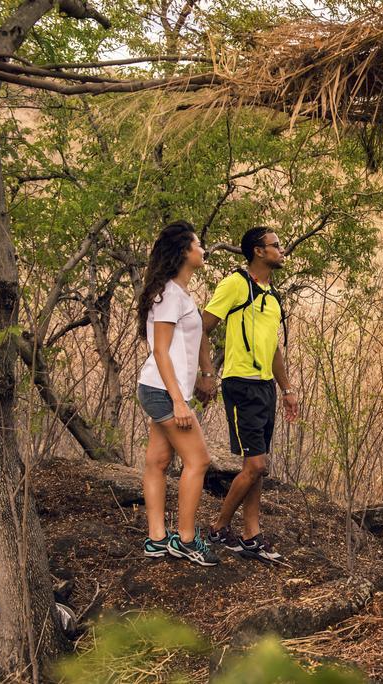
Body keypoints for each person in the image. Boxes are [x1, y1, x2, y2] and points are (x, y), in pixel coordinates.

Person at [203, 226, 298, 563]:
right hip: (239, 384)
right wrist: (206, 375)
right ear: (258, 251)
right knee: (255, 463)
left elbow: (273, 350)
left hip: (265, 388)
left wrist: (286, 389)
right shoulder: (235, 284)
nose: (281, 250)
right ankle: (217, 527)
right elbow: (203, 326)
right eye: (276, 245)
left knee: (256, 466)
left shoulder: (272, 296)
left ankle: (251, 535)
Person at [137, 221, 219, 566]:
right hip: (161, 391)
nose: (204, 250)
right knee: (198, 461)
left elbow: (190, 343)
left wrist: (202, 375)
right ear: (185, 251)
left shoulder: (178, 293)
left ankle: (157, 539)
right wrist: (178, 400)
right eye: (199, 244)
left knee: (157, 461)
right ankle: (185, 540)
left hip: (160, 389)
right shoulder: (170, 295)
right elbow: (160, 351)